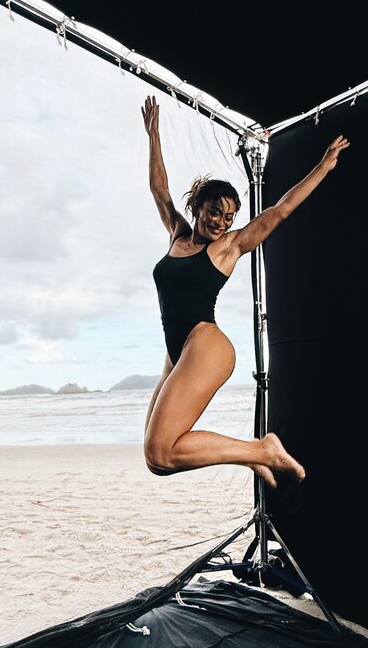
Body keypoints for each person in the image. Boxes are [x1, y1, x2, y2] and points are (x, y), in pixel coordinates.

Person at [141, 94, 349, 488]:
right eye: (215, 212)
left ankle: (262, 450)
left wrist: (323, 167)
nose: (221, 222)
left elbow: (280, 211)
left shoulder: (228, 247)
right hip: (177, 351)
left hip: (205, 345)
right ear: (197, 206)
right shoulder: (177, 234)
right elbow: (159, 189)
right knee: (156, 459)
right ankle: (252, 453)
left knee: (162, 450)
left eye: (229, 216)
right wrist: (153, 136)